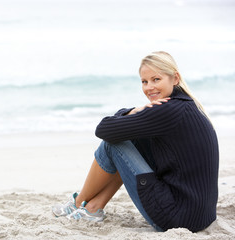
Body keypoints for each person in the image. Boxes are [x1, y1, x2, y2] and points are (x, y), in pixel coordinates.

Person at [52, 51, 219, 232]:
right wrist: (135, 112)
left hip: (176, 218)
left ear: (175, 78)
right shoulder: (186, 105)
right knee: (132, 139)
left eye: (156, 79)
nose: (149, 87)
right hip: (200, 215)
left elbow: (104, 129)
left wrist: (132, 112)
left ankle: (77, 203)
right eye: (144, 81)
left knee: (112, 144)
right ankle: (92, 208)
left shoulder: (167, 110)